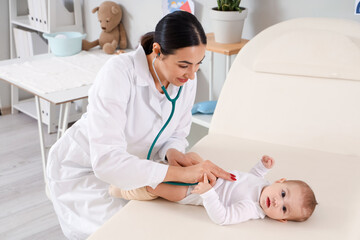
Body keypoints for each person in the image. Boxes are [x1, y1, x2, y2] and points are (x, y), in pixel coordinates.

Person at [46, 11, 235, 239]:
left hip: (136, 168)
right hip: (85, 170)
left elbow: (177, 131)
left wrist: (172, 151)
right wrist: (179, 174)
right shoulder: (119, 73)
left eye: (198, 65)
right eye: (184, 65)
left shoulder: (184, 79)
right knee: (118, 232)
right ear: (157, 51)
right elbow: (107, 162)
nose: (192, 76)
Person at [109, 155, 318, 225]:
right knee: (189, 157)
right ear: (279, 181)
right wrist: (262, 166)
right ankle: (146, 165)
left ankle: (121, 191)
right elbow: (252, 176)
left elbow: (223, 217)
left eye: (284, 210)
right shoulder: (261, 184)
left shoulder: (252, 208)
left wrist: (207, 193)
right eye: (282, 194)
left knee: (155, 186)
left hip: (193, 193)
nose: (277, 202)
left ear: (281, 220)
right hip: (206, 175)